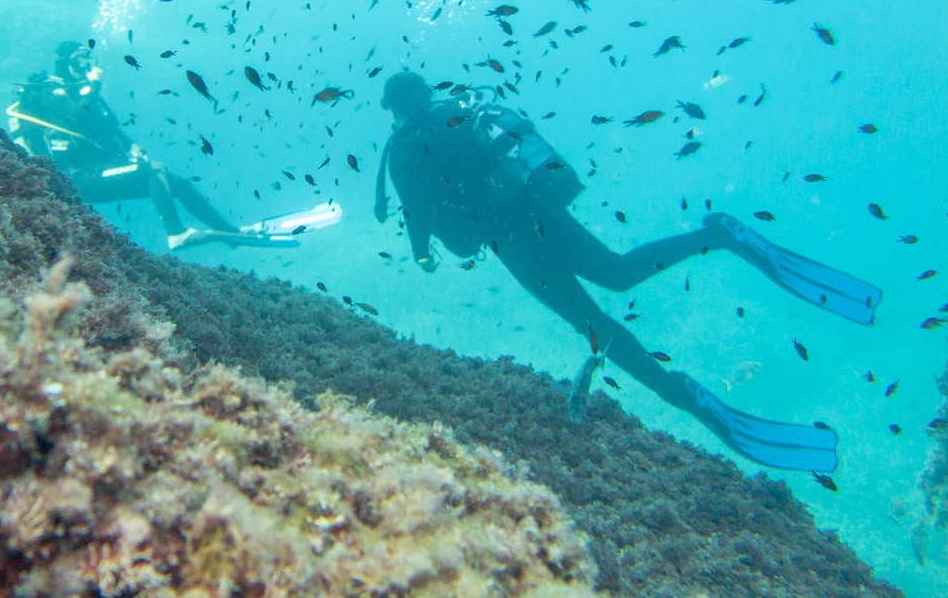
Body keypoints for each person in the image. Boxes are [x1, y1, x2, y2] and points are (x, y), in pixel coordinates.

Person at [374, 70, 883, 473]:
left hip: (512, 242)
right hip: (540, 211)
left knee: (592, 323)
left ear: (393, 111)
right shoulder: (464, 113)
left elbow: (418, 212)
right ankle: (714, 236)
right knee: (617, 273)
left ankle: (673, 391)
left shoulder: (400, 149)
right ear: (426, 91)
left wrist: (423, 256)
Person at [9, 41, 291, 251]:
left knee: (175, 181)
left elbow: (111, 130)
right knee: (152, 170)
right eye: (81, 59)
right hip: (77, 178)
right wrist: (93, 86)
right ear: (67, 63)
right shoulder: (51, 90)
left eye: (88, 58)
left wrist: (132, 148)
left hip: (102, 169)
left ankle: (228, 232)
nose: (87, 64)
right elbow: (78, 112)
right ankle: (176, 233)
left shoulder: (85, 93)